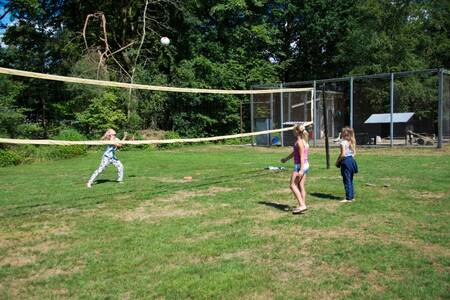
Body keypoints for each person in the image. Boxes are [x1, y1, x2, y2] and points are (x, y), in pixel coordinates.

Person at [281, 124, 310, 214]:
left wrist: (301, 169)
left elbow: (301, 156)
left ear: (297, 131)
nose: (293, 131)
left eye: (294, 130)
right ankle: (303, 205)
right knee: (300, 185)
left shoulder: (299, 142)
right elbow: (295, 153)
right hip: (306, 164)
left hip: (300, 166)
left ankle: (302, 205)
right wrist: (286, 159)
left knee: (292, 185)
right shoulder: (303, 141)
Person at [335, 127, 358, 202]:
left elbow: (343, 154)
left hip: (346, 162)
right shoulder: (352, 141)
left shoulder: (343, 142)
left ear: (344, 134)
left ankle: (348, 198)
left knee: (346, 180)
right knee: (350, 179)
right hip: (352, 160)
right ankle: (352, 197)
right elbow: (354, 153)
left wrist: (337, 161)